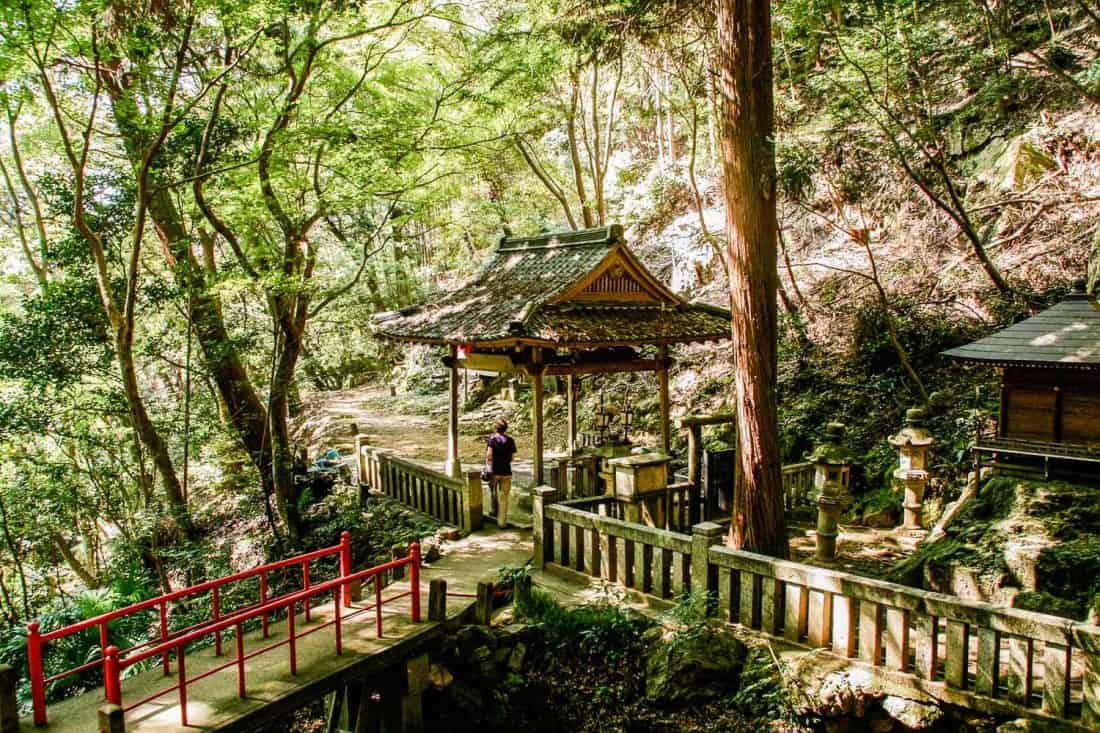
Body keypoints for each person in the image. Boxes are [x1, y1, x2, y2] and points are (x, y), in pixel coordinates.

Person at [485, 417, 517, 529]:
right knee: (504, 497)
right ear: (505, 428)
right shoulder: (510, 440)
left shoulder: (492, 439)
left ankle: (494, 511)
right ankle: (502, 522)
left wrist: (488, 468)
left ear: (495, 428)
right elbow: (512, 457)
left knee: (493, 491)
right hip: (506, 472)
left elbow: (489, 456)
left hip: (494, 471)